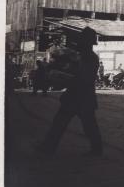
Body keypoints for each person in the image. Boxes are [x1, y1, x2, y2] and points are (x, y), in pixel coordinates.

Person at [36, 27, 103, 156]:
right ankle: (48, 147)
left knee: (80, 125)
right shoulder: (83, 56)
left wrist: (67, 75)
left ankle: (48, 148)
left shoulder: (89, 58)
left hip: (80, 96)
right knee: (64, 123)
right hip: (80, 96)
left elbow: (84, 77)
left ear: (86, 43)